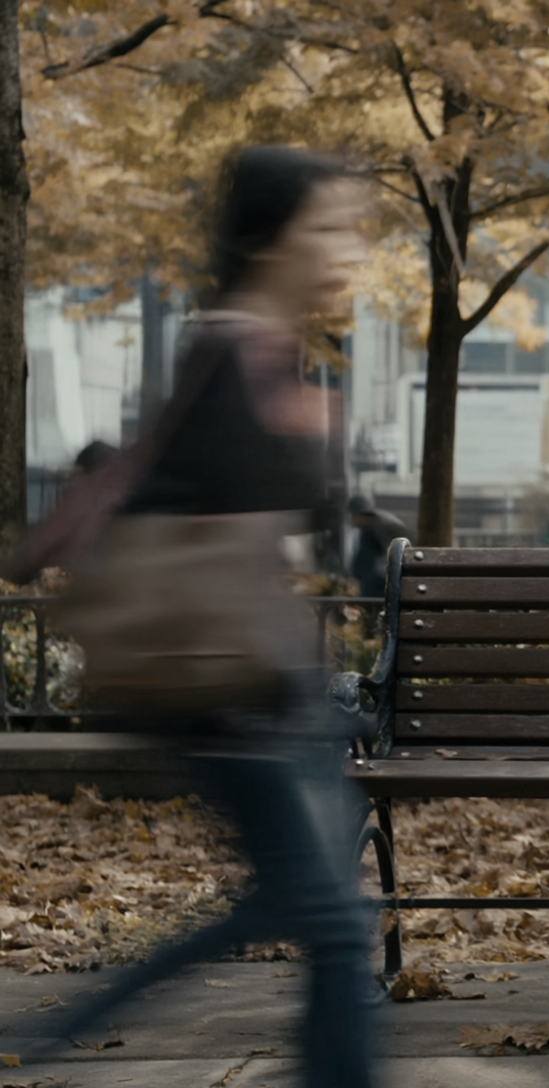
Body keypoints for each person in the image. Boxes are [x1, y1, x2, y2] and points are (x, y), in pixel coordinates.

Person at [20, 147, 377, 1088]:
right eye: (329, 226)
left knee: (286, 910)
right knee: (336, 927)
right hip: (226, 684)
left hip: (272, 679)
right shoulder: (234, 348)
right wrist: (308, 435)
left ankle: (58, 1034)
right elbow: (214, 506)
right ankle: (53, 1038)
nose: (350, 247)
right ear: (269, 239)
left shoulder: (262, 346)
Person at [348, 494, 409, 598]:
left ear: (361, 514)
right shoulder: (370, 527)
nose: (352, 522)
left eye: (353, 516)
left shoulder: (378, 527)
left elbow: (379, 561)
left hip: (393, 575)